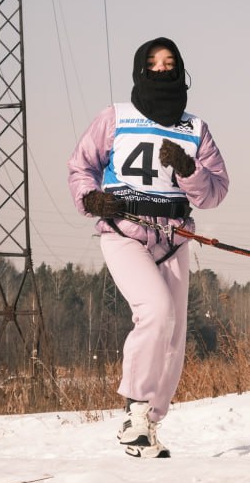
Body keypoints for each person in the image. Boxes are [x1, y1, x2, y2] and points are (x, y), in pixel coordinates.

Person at [67, 37, 229, 457]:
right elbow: (81, 166)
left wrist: (188, 169)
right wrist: (91, 199)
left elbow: (214, 192)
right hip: (123, 232)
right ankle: (135, 409)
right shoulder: (115, 117)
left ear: (181, 70)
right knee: (156, 311)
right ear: (141, 70)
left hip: (174, 238)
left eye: (169, 62)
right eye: (153, 63)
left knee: (173, 335)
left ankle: (149, 426)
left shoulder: (195, 129)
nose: (161, 69)